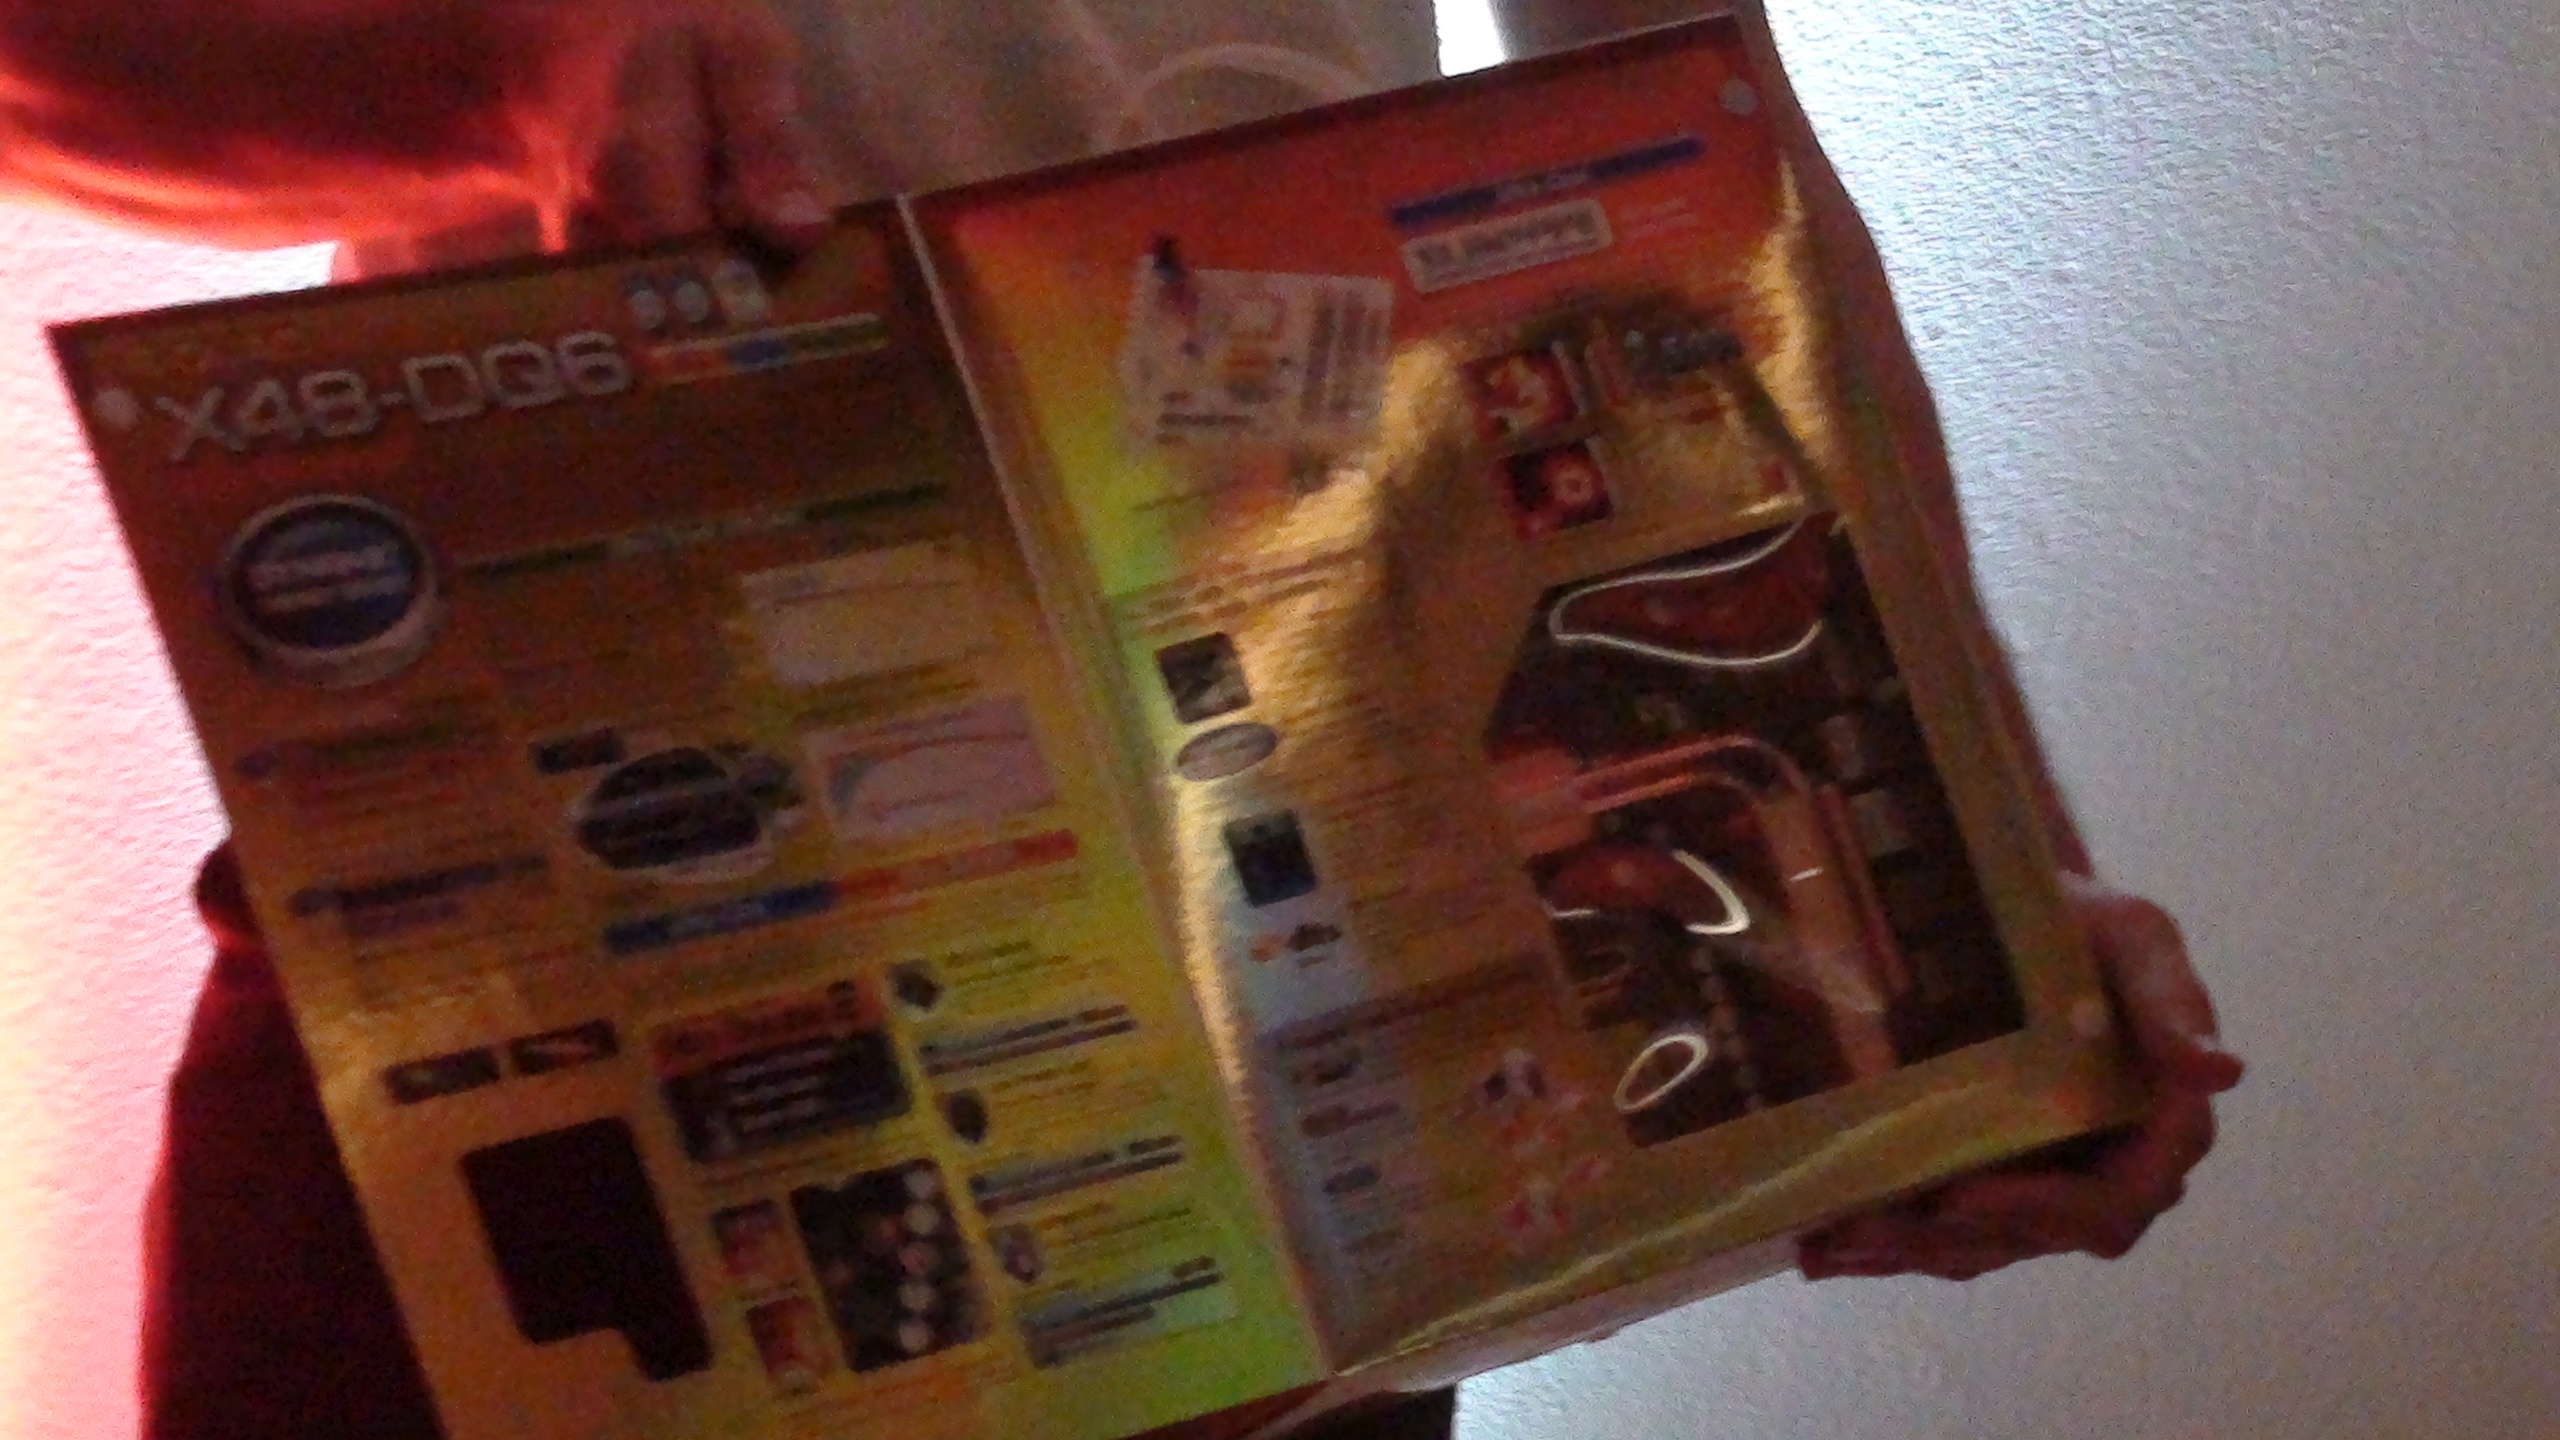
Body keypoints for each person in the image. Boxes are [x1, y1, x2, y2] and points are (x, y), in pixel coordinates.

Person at [0, 2, 2244, 1437]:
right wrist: (505, 70)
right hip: (545, 947)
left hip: (1260, 1024)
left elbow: (1709, 155)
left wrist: (1995, 900)